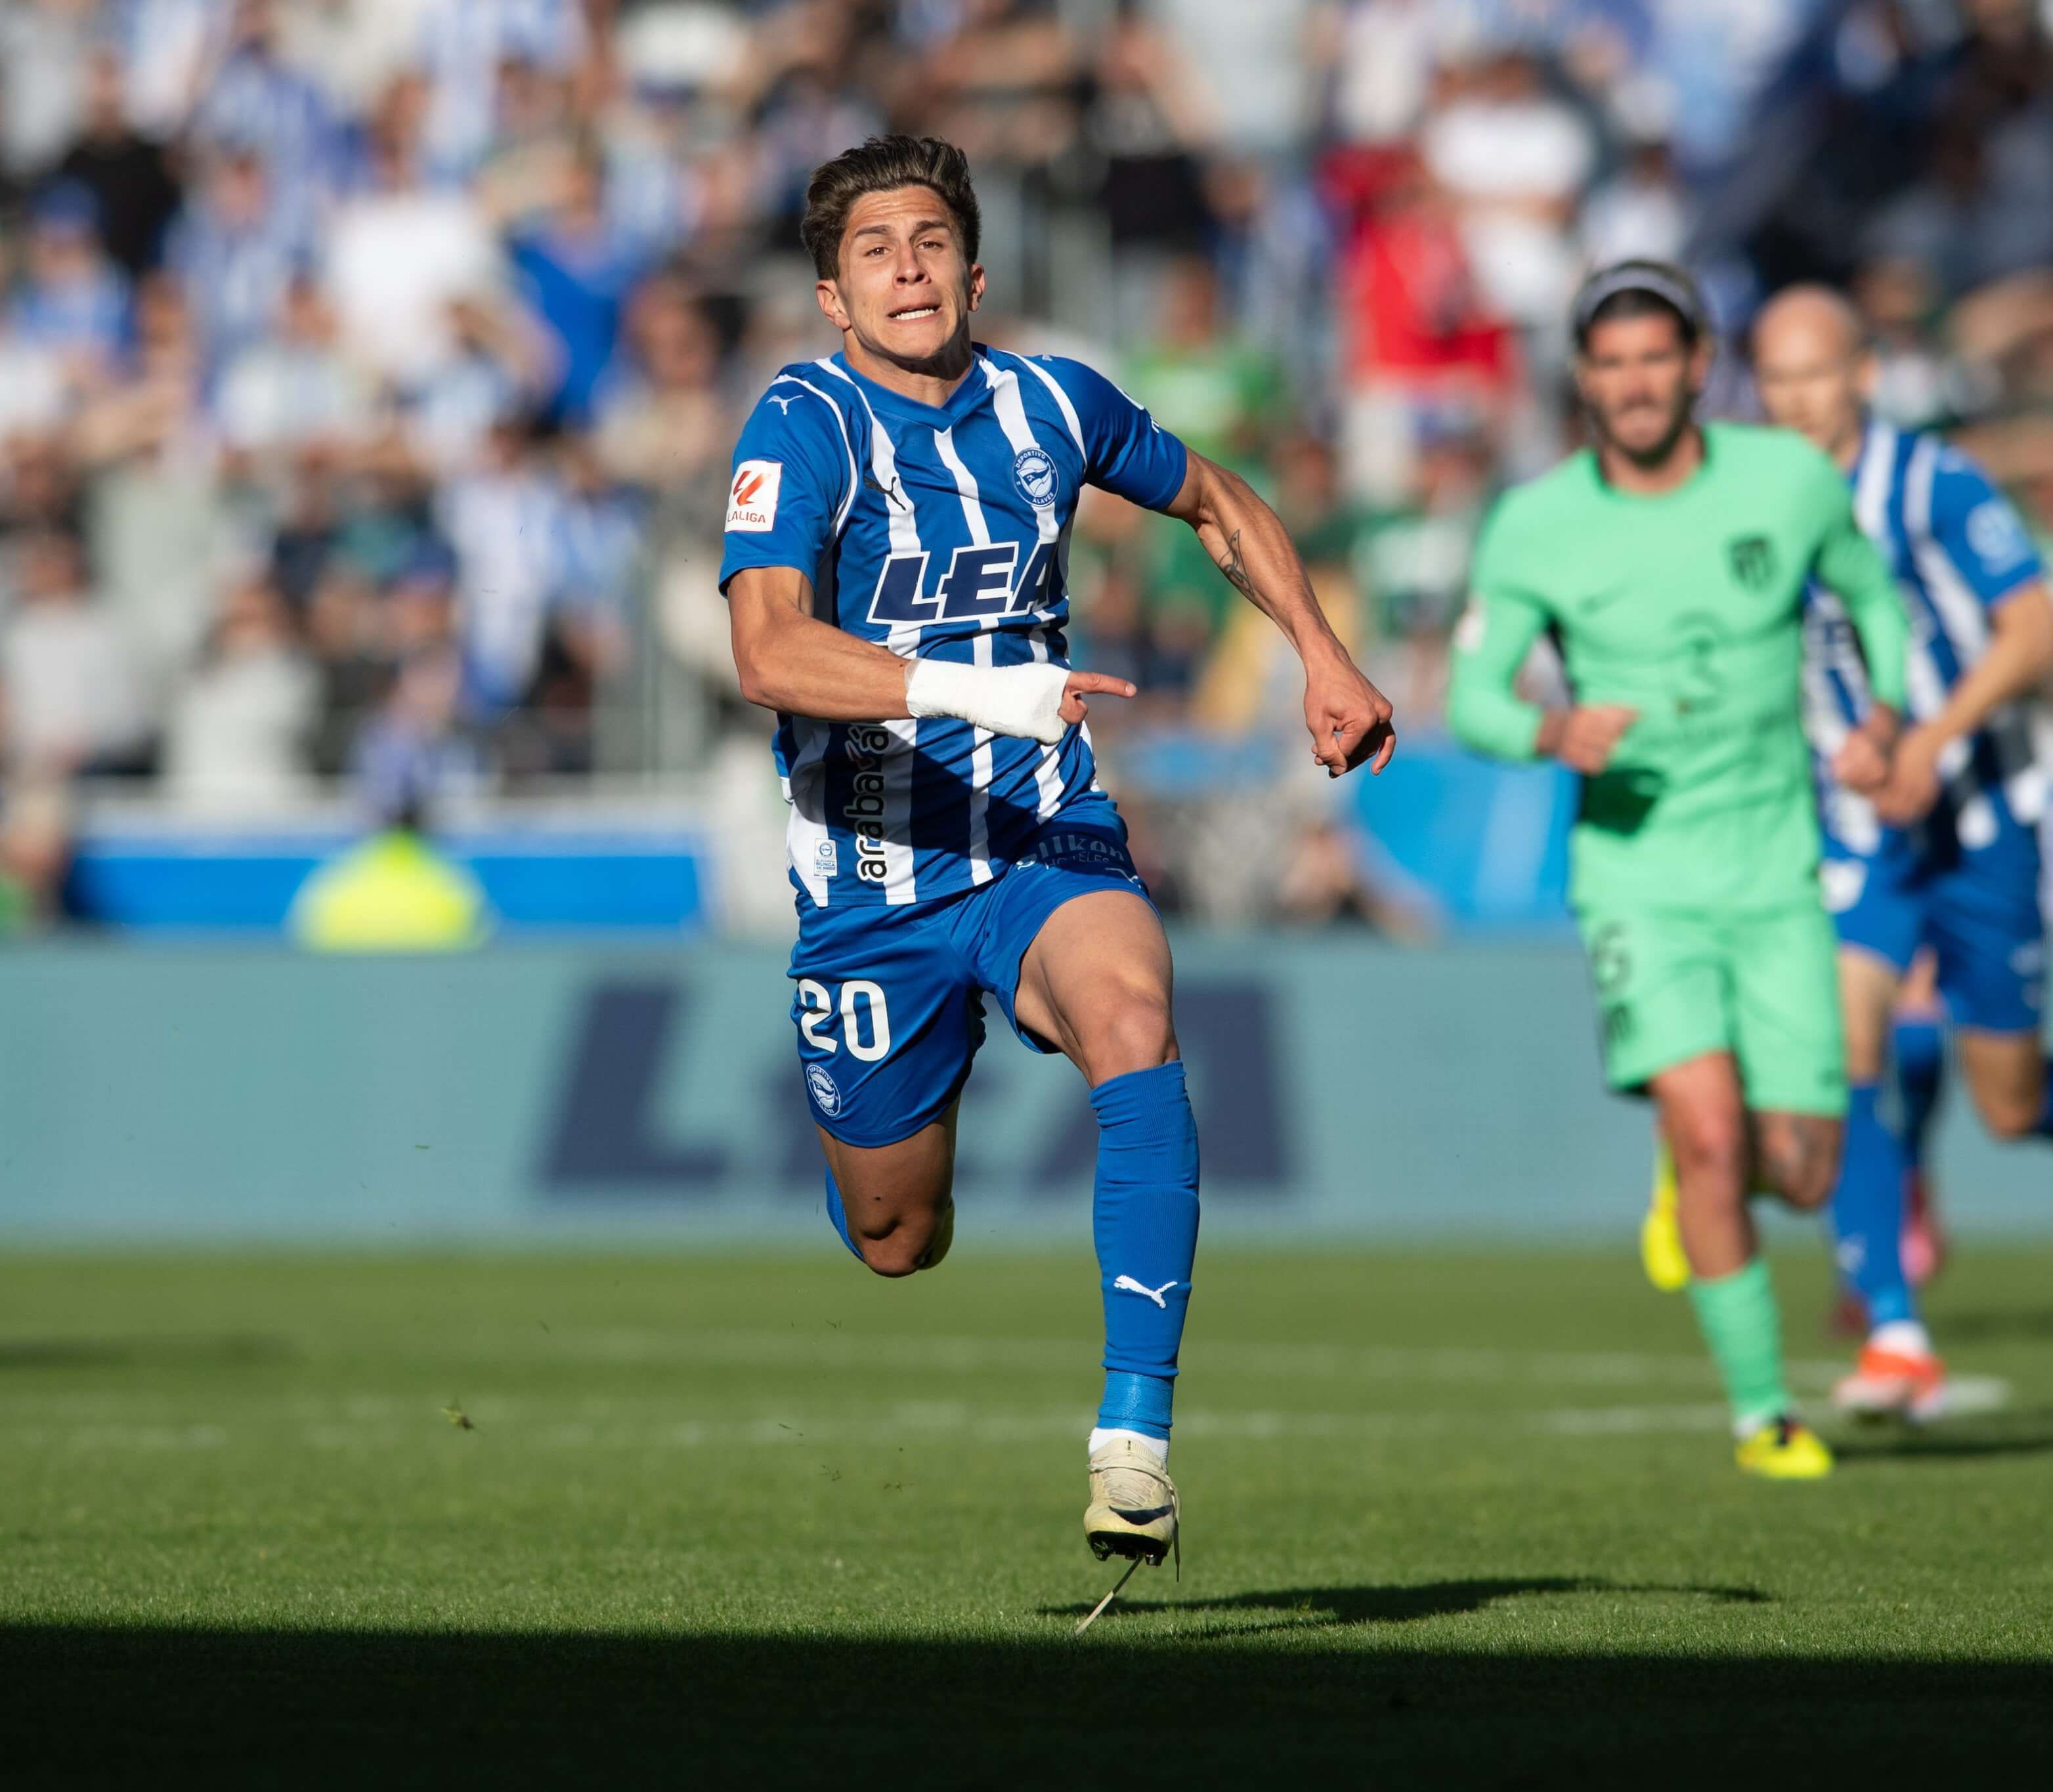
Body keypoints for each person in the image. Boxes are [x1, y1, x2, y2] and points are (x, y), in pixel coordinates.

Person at [717, 136, 1392, 1569]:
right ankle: (921, 1133)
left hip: (1044, 830)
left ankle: (1132, 1443)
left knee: (1137, 1019)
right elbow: (767, 650)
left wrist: (1322, 656)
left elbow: (1214, 497)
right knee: (898, 1237)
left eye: (927, 241)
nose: (906, 267)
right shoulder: (798, 423)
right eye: (872, 251)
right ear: (833, 299)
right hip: (870, 884)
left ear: (973, 267)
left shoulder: (1049, 403)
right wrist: (978, 688)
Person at [1447, 261, 1914, 1482]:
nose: (1636, 381)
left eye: (1658, 356)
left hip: (1775, 874)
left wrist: (1890, 715)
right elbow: (1473, 698)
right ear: (1583, 380)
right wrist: (1553, 731)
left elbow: (1876, 594)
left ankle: (1690, 1174)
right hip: (1638, 878)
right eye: (1611, 362)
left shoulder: (1789, 481)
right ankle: (1764, 1412)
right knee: (1711, 1137)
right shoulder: (1536, 523)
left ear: (1702, 364)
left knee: (1804, 1167)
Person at [1746, 286, 2053, 1424]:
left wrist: (1932, 737)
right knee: (1844, 1048)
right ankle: (1898, 1330)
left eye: (1816, 374)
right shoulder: (1751, 502)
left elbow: (2036, 627)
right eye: (1775, 380)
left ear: (1863, 375)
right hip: (1860, 828)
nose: (1796, 400)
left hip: (1977, 814)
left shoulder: (1933, 484)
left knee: (2006, 1101)